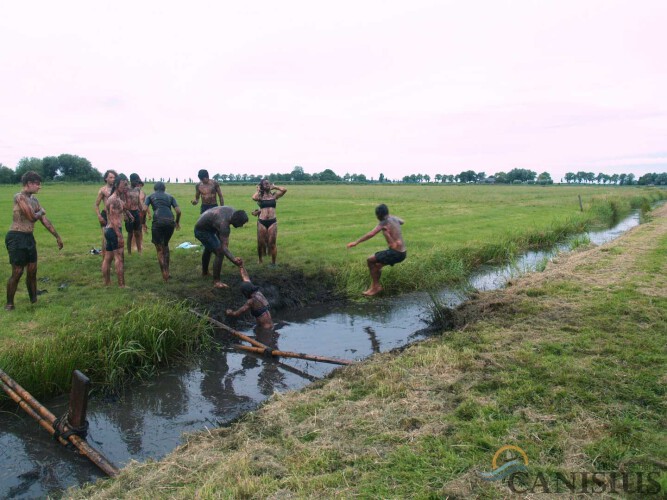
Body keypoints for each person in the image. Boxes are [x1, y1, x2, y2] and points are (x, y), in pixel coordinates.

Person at [5, 171, 63, 310]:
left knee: (32, 270)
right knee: (18, 271)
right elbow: (32, 217)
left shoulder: (35, 200)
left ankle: (34, 300)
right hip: (16, 237)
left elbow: (44, 221)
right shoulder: (19, 197)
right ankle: (9, 304)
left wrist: (57, 236)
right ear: (29, 184)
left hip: (29, 237)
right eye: (37, 184)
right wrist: (41, 212)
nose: (39, 187)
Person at [346, 203, 407, 296]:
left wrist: (356, 242)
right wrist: (391, 217)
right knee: (377, 265)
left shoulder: (384, 223)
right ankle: (374, 286)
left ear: (379, 216)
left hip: (395, 253)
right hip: (403, 253)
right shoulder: (394, 218)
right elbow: (402, 221)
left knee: (370, 260)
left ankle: (376, 287)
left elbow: (371, 234)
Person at [193, 206, 248, 288]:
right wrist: (234, 260)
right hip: (201, 231)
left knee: (209, 248)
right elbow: (224, 248)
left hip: (209, 227)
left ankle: (205, 272)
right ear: (236, 220)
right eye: (241, 224)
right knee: (219, 252)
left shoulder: (233, 213)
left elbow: (225, 243)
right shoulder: (224, 224)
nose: (241, 226)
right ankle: (216, 281)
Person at [144, 181, 181, 282]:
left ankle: (164, 274)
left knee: (159, 249)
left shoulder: (150, 196)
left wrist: (143, 223)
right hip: (170, 222)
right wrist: (177, 222)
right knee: (165, 245)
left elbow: (144, 209)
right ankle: (168, 272)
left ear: (154, 189)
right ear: (164, 189)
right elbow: (178, 211)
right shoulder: (170, 197)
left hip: (158, 222)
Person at [191, 169, 224, 276]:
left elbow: (220, 196)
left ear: (207, 176)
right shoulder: (198, 185)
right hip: (204, 208)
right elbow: (197, 198)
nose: (203, 181)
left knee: (217, 230)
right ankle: (208, 243)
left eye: (204, 179)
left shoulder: (214, 183)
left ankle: (219, 243)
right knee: (205, 229)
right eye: (201, 179)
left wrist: (221, 208)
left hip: (214, 207)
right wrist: (195, 201)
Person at [101, 174, 130, 287]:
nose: (125, 187)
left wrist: (128, 215)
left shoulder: (116, 198)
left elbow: (124, 208)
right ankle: (121, 285)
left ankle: (107, 283)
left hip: (109, 230)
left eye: (126, 185)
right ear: (117, 185)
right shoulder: (114, 199)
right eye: (124, 185)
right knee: (119, 258)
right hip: (114, 230)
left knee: (108, 258)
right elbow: (113, 219)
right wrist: (119, 236)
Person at [251, 179, 287, 265]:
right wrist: (258, 190)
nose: (267, 184)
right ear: (262, 186)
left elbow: (284, 190)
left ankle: (273, 263)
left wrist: (275, 187)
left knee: (272, 243)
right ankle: (260, 260)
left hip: (272, 222)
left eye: (268, 183)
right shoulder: (260, 197)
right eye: (265, 184)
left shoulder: (274, 196)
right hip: (261, 222)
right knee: (260, 243)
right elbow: (254, 197)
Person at [94, 169, 118, 252]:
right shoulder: (103, 190)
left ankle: (115, 256)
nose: (113, 179)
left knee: (115, 236)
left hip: (115, 215)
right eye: (110, 177)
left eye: (114, 177)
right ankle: (105, 258)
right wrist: (99, 216)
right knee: (105, 237)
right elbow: (96, 205)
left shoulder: (117, 189)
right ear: (106, 179)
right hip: (105, 215)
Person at [125, 173, 145, 254]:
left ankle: (139, 250)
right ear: (131, 180)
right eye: (135, 181)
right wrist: (124, 214)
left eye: (138, 181)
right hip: (128, 212)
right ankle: (129, 252)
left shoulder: (137, 189)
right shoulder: (126, 189)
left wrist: (142, 211)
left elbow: (139, 202)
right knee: (130, 234)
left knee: (137, 232)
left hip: (136, 212)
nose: (137, 182)